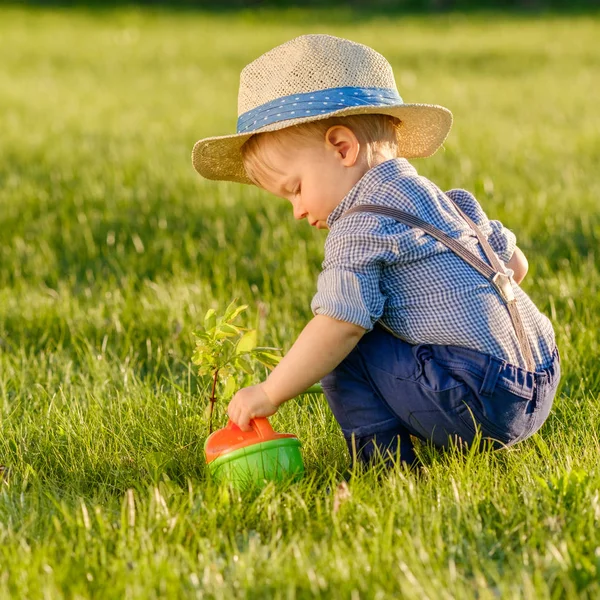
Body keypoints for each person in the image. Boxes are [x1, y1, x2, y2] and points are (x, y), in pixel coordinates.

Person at [191, 34, 560, 470]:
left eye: (296, 189)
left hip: (479, 401)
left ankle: (387, 469)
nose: (297, 211)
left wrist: (270, 392)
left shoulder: (360, 224)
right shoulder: (447, 201)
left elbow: (338, 326)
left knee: (347, 351)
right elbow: (516, 267)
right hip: (541, 377)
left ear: (342, 148)